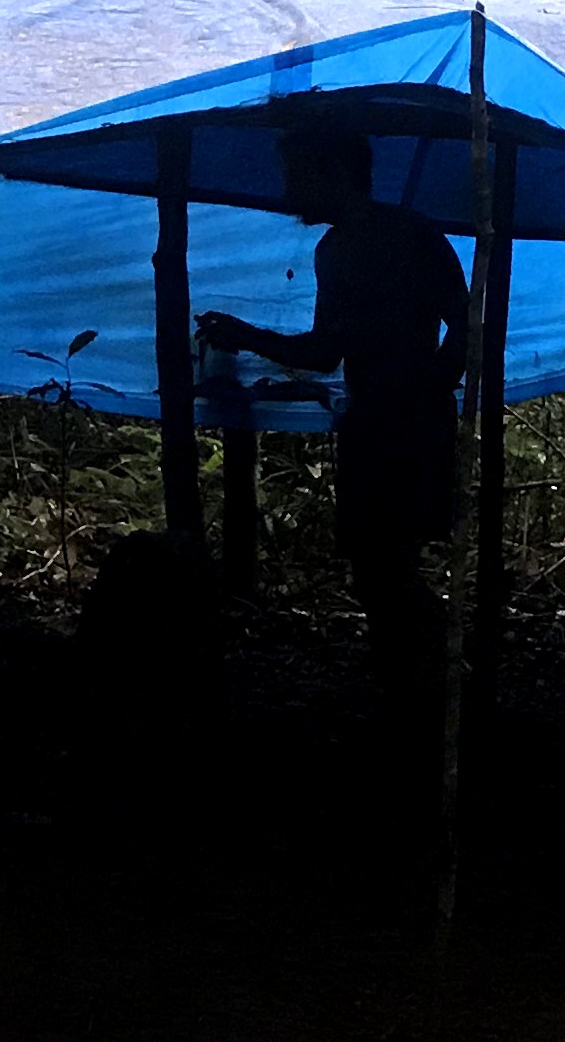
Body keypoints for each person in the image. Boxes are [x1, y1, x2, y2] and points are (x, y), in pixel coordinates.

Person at [199, 124, 473, 748]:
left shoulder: (360, 245)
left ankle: (424, 699)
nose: (290, 191)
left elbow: (328, 351)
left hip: (392, 421)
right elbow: (459, 327)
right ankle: (419, 698)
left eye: (297, 176)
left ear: (329, 174)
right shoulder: (405, 234)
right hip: (397, 417)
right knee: (386, 567)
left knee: (385, 569)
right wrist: (431, 386)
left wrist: (246, 336)